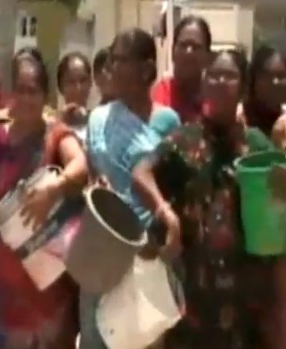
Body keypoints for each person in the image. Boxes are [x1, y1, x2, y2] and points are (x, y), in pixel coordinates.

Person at [132, 49, 280, 349]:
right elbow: (140, 173)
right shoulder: (185, 140)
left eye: (229, 75)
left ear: (243, 87)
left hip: (245, 301)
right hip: (193, 301)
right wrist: (165, 213)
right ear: (203, 84)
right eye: (213, 75)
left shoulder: (258, 146)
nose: (220, 81)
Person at [0, 53, 88, 349]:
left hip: (46, 283)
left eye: (33, 91)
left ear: (45, 95)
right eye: (20, 90)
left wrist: (55, 188)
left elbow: (80, 165)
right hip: (1, 281)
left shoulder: (55, 136)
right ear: (11, 93)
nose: (26, 98)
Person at [81, 27, 181, 349]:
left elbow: (170, 188)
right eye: (111, 59)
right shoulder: (98, 119)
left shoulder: (168, 123)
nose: (111, 67)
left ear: (146, 69)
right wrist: (94, 185)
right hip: (100, 253)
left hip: (146, 258)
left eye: (120, 59)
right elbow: (90, 173)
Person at [152, 16, 212, 123]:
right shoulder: (158, 97)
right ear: (172, 52)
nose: (188, 52)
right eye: (183, 45)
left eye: (196, 47)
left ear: (208, 56)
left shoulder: (216, 102)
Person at [245, 46, 286, 146]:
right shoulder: (239, 120)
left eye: (281, 76)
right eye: (267, 76)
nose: (275, 82)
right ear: (253, 80)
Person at [56, 51, 92, 141]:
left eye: (83, 80)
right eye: (71, 82)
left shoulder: (98, 125)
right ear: (61, 86)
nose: (78, 88)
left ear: (90, 83)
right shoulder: (53, 128)